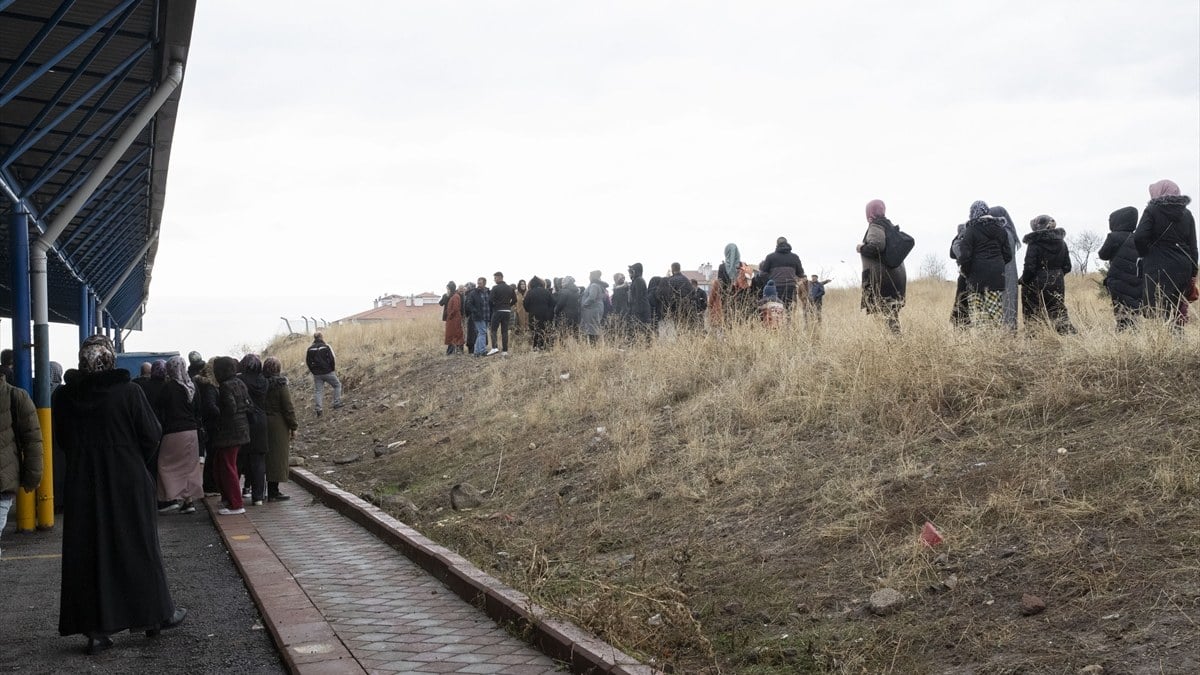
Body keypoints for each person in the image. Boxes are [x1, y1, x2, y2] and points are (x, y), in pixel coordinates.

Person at [52, 335, 185, 654]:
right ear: (111, 359)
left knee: (88, 552)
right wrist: (131, 460)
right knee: (138, 546)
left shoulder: (65, 397)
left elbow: (63, 440)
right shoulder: (129, 392)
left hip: (83, 482)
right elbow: (151, 435)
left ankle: (95, 630)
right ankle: (154, 617)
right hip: (127, 479)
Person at [1133, 179, 1198, 328]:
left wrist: (1146, 253)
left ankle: (1161, 343)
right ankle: (1177, 339)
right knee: (1177, 307)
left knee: (1157, 307)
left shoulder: (1152, 210)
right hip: (1183, 267)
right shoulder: (1187, 214)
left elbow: (1139, 237)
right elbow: (1193, 247)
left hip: (1157, 265)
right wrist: (1193, 272)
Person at [1, 372, 43, 558]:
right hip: (3, 479)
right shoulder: (16, 396)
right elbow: (32, 440)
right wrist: (32, 478)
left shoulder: (14, 396)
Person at [155, 356, 203, 514]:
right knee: (189, 467)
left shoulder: (169, 388)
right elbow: (198, 410)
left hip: (173, 432)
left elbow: (160, 409)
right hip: (192, 432)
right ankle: (188, 502)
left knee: (164, 465)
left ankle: (170, 499)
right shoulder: (192, 386)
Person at [956, 200, 1013, 328]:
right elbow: (1008, 255)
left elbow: (965, 256)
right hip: (996, 278)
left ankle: (983, 344)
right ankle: (997, 342)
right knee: (995, 312)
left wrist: (966, 271)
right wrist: (997, 265)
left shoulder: (970, 230)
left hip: (976, 278)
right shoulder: (1001, 229)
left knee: (978, 314)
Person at [857, 199, 908, 333]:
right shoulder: (890, 227)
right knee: (891, 315)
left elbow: (876, 246)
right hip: (895, 278)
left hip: (882, 279)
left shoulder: (876, 225)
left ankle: (893, 346)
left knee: (886, 316)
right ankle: (895, 344)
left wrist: (861, 248)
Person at [1020, 215, 1075, 334]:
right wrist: (1057, 275)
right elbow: (1067, 266)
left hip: (1036, 283)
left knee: (1032, 310)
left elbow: (1029, 267)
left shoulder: (1034, 244)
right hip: (1057, 281)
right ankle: (1067, 334)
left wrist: (1023, 280)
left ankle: (1034, 335)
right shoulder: (1062, 243)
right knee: (1057, 309)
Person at [210, 356, 250, 515]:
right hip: (242, 429)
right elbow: (248, 404)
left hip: (229, 432)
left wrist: (218, 417)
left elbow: (230, 409)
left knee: (227, 466)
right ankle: (229, 499)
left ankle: (235, 503)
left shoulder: (225, 386)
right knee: (225, 465)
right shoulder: (240, 383)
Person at [1098, 206, 1144, 330]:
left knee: (1121, 309)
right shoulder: (1139, 237)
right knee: (1134, 308)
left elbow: (1103, 255)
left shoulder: (1114, 237)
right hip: (1137, 278)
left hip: (1118, 279)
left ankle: (1123, 333)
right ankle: (1135, 332)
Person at [262, 357, 296, 501]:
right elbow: (288, 407)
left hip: (262, 422)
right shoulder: (281, 385)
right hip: (278, 425)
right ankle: (273, 491)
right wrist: (294, 426)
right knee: (277, 458)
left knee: (264, 457)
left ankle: (259, 491)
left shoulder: (260, 384)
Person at [238, 354, 269, 506]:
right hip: (262, 421)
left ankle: (241, 490)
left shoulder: (241, 380)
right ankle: (258, 496)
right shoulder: (264, 381)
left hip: (245, 420)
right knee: (259, 459)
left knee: (243, 458)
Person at [989, 205, 1022, 331]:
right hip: (1011, 273)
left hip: (1003, 272)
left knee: (1005, 303)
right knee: (1009, 303)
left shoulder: (1003, 233)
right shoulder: (1010, 233)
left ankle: (1005, 335)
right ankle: (1008, 334)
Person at [759, 237, 805, 309]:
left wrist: (769, 282)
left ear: (777, 244)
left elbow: (762, 274)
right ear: (787, 243)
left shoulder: (770, 257)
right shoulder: (795, 257)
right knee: (789, 313)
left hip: (775, 288)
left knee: (776, 312)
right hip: (790, 288)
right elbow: (800, 274)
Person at [305, 332, 342, 415]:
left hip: (317, 374)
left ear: (314, 338)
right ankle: (337, 403)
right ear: (322, 337)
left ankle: (319, 409)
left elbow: (308, 362)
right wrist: (332, 369)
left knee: (318, 391)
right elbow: (332, 358)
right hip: (328, 371)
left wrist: (313, 371)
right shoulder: (326, 346)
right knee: (337, 385)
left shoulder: (310, 349)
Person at [523, 276, 555, 350]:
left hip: (533, 314)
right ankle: (544, 346)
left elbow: (525, 304)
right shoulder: (546, 291)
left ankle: (535, 346)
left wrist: (529, 310)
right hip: (545, 315)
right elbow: (553, 303)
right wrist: (549, 312)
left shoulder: (529, 292)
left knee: (535, 331)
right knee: (544, 330)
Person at [488, 271, 516, 356]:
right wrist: (508, 306)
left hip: (497, 311)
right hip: (507, 311)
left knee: (493, 329)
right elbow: (515, 300)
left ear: (500, 277)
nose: (494, 280)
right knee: (504, 331)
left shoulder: (495, 288)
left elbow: (490, 300)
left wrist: (494, 307)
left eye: (495, 278)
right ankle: (505, 351)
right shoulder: (510, 288)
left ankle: (494, 348)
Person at [464, 277, 492, 356]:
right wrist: (475, 311)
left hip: (487, 315)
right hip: (478, 316)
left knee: (480, 333)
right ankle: (482, 351)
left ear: (484, 283)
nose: (478, 284)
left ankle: (476, 352)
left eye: (480, 283)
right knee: (483, 332)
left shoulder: (488, 292)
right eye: (478, 283)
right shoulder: (474, 293)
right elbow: (469, 304)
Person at [581, 270, 608, 344]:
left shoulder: (594, 285)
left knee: (592, 329)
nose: (589, 277)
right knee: (595, 327)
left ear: (593, 276)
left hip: (592, 309)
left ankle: (594, 347)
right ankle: (596, 347)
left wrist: (584, 304)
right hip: (597, 308)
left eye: (590, 276)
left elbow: (592, 297)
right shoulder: (599, 285)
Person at [554, 276, 582, 340]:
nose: (562, 283)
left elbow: (560, 304)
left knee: (563, 335)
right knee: (574, 334)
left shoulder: (564, 291)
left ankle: (563, 349)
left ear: (567, 282)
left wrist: (555, 311)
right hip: (575, 315)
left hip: (564, 316)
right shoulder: (576, 291)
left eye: (563, 282)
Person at [628, 263, 652, 336]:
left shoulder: (639, 281)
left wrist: (636, 311)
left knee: (641, 331)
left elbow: (639, 297)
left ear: (634, 271)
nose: (629, 274)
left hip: (640, 311)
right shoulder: (636, 280)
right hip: (638, 309)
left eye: (630, 272)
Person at [442, 281, 465, 355]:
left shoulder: (455, 296)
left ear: (450, 289)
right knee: (454, 334)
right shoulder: (454, 296)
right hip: (453, 319)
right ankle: (453, 351)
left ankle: (453, 351)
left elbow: (455, 308)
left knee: (455, 334)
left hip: (454, 319)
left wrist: (450, 316)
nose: (447, 290)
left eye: (448, 289)